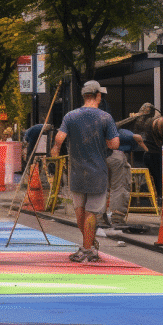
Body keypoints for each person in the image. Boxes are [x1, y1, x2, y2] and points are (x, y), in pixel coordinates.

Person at [52, 80, 119, 263]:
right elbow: (114, 144)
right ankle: (88, 249)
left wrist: (55, 150)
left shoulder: (70, 116)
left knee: (80, 211)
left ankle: (86, 246)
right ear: (97, 96)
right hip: (97, 172)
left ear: (84, 96)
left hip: (76, 172)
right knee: (91, 212)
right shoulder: (105, 117)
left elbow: (60, 137)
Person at [104, 127, 147, 227]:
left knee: (103, 188)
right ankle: (117, 217)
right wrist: (144, 147)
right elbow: (134, 136)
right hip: (115, 154)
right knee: (120, 186)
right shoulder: (125, 133)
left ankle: (99, 217)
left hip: (98, 156)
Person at [142, 116, 163, 200]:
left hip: (149, 153)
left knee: (154, 178)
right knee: (158, 178)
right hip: (155, 154)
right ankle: (159, 196)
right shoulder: (155, 126)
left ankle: (156, 196)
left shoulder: (149, 123)